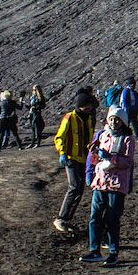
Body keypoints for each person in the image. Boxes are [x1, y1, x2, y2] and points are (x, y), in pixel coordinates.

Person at [80, 105, 135, 266]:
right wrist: (93, 166)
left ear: (123, 122)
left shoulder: (127, 140)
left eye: (117, 120)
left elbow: (127, 162)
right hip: (101, 182)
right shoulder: (103, 136)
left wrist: (110, 157)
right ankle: (94, 250)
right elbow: (95, 158)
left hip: (116, 185)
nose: (113, 122)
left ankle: (113, 252)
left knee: (112, 219)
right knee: (95, 217)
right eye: (111, 119)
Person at [52, 94, 93, 233]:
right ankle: (61, 218)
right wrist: (62, 152)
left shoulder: (88, 119)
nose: (89, 108)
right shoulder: (69, 118)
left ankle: (66, 219)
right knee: (74, 186)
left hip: (83, 158)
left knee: (80, 188)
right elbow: (59, 137)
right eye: (87, 105)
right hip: (71, 158)